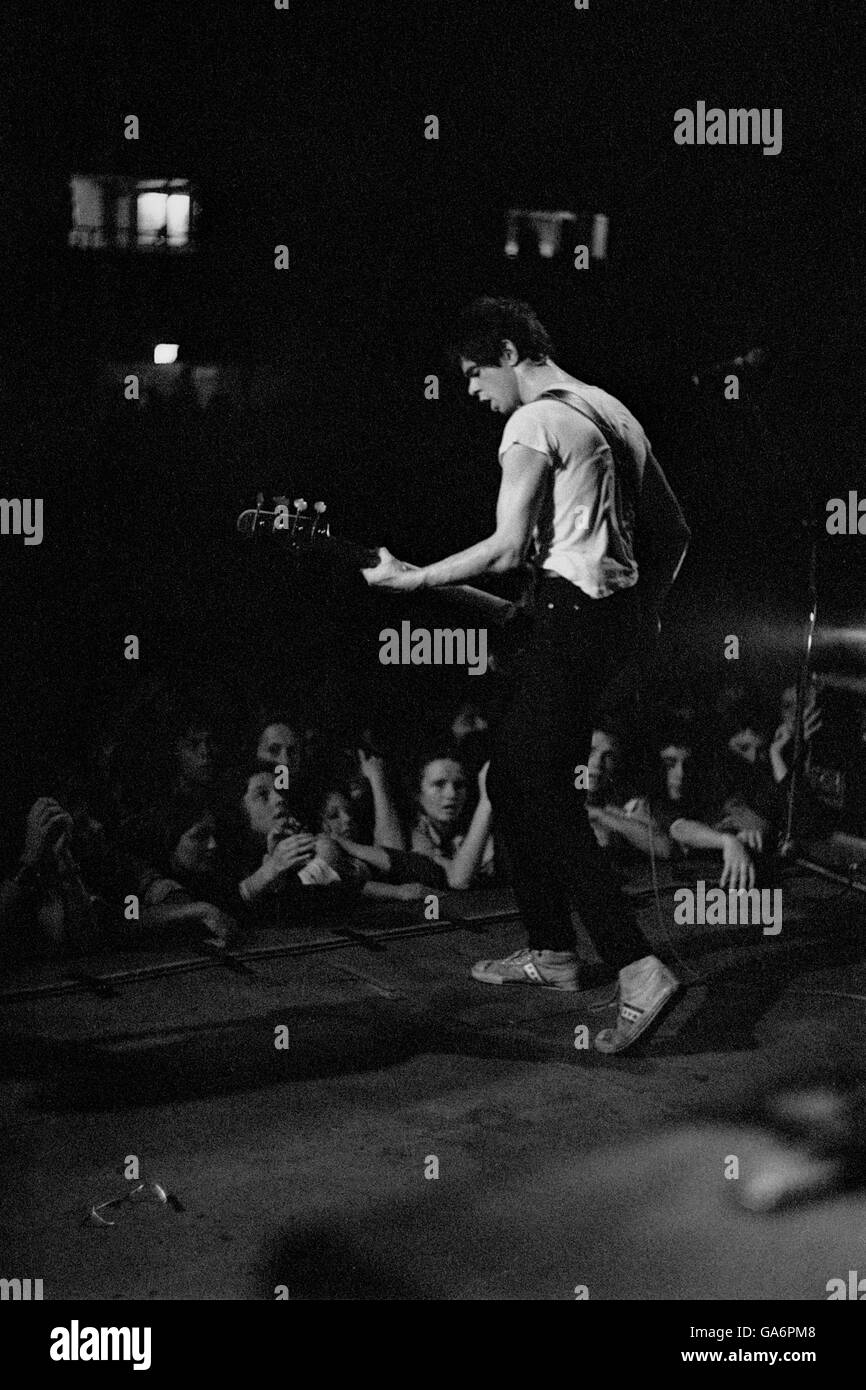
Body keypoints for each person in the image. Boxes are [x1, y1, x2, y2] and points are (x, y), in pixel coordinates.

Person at [363, 296, 691, 1052]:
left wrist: (411, 584)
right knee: (510, 779)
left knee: (536, 783)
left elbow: (510, 549)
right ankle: (551, 951)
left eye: (477, 372)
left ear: (509, 352)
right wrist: (648, 612)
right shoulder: (614, 411)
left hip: (569, 620)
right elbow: (674, 531)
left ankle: (636, 964)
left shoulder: (533, 420)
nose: (475, 391)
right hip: (596, 620)